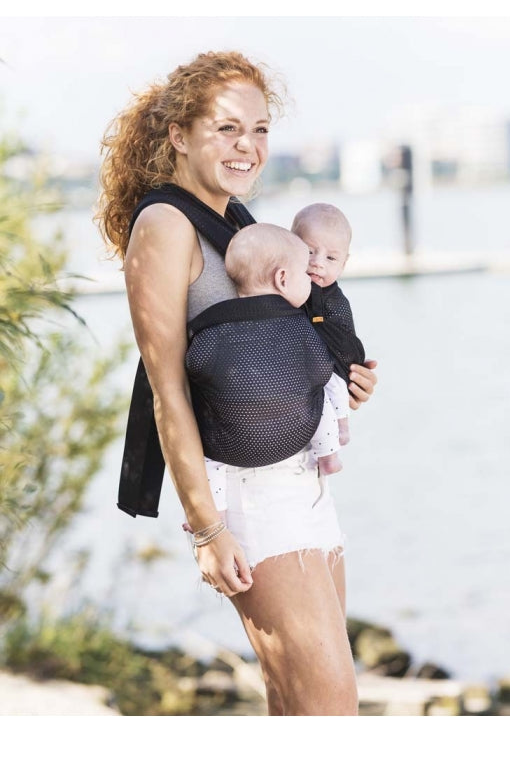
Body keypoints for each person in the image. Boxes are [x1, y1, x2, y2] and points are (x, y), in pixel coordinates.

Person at [96, 51, 378, 716]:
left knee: (300, 704)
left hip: (304, 486)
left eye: (259, 129)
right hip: (251, 497)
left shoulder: (238, 223)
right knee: (329, 709)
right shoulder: (163, 226)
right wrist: (206, 529)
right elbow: (167, 390)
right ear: (179, 135)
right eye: (227, 129)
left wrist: (342, 379)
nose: (247, 146)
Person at [196, 222, 350, 514]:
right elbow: (321, 368)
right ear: (282, 279)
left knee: (207, 458)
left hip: (228, 444)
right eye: (304, 274)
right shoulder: (299, 326)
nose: (309, 280)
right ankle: (329, 453)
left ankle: (215, 511)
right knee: (324, 389)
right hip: (292, 437)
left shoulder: (216, 326)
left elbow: (196, 364)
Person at [291, 202, 360, 474]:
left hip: (329, 368)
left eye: (331, 258)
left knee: (333, 390)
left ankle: (338, 436)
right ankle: (328, 453)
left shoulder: (334, 300)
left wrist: (350, 366)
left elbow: (345, 338)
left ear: (344, 264)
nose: (317, 262)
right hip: (299, 376)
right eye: (309, 251)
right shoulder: (285, 285)